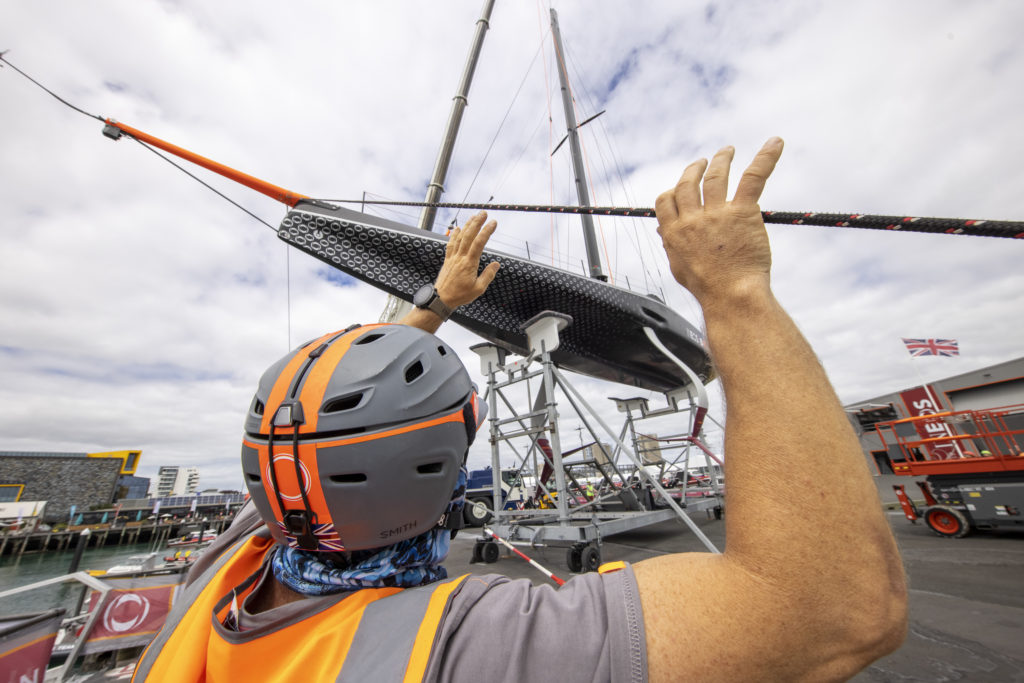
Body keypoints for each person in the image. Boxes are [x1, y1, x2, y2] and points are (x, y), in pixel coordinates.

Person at [133, 138, 906, 682]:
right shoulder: (467, 647)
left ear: (267, 466)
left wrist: (440, 301)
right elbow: (834, 612)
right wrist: (735, 291)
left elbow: (329, 425)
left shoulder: (224, 566)